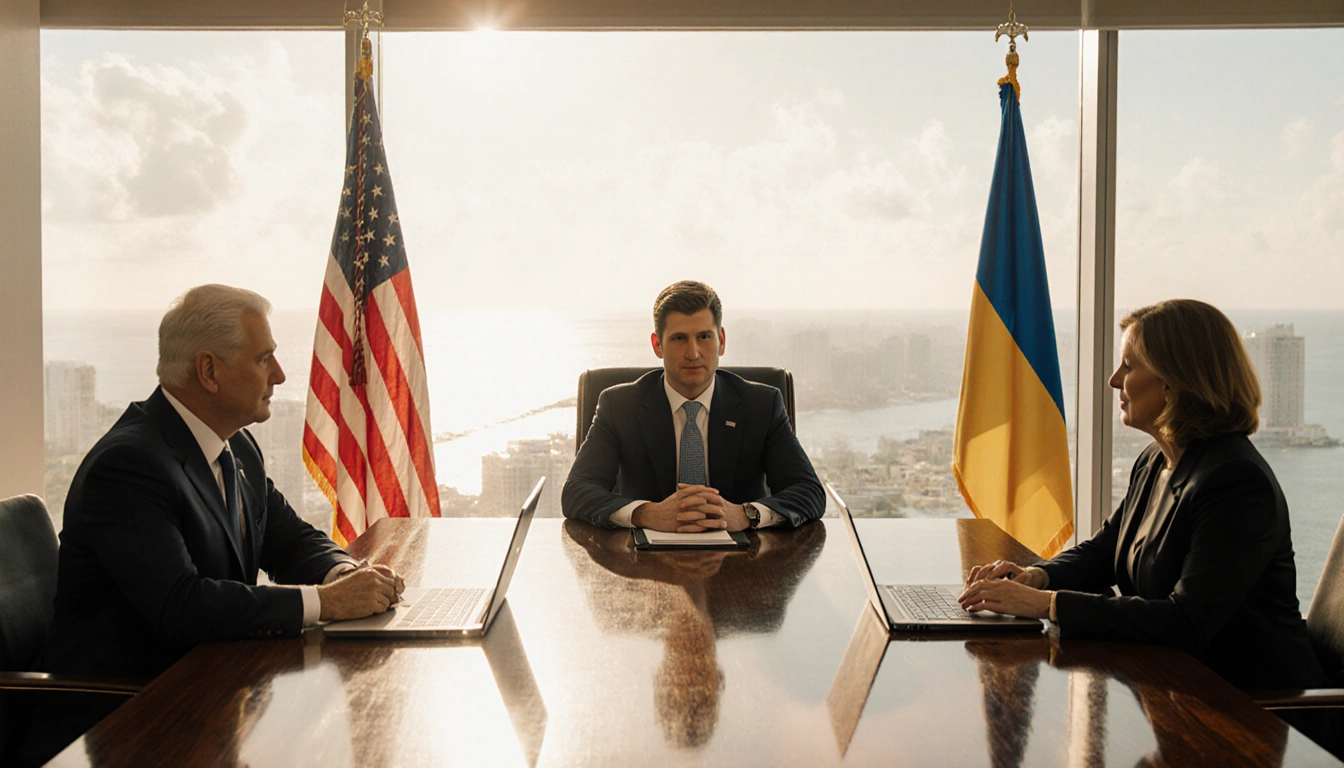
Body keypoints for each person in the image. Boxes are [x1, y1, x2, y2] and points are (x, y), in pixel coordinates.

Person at [958, 298, 1328, 692]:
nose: (1115, 380)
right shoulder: (1157, 459)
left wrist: (1045, 605)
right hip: (1176, 687)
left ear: (1174, 382)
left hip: (1256, 711)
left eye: (1129, 366)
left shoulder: (1236, 482)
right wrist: (1037, 576)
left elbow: (1185, 621)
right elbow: (1104, 551)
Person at [44, 284, 404, 682]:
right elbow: (181, 606)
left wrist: (344, 573)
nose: (280, 375)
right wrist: (327, 602)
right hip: (126, 713)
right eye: (264, 359)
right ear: (209, 371)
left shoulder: (237, 445)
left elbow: (287, 540)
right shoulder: (127, 467)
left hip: (210, 684)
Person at [562, 280, 825, 532]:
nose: (693, 353)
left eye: (704, 337)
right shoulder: (619, 406)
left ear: (721, 340)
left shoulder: (762, 405)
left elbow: (808, 491)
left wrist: (746, 514)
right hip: (644, 563)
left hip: (744, 561)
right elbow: (577, 490)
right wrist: (647, 513)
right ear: (657, 345)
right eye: (679, 339)